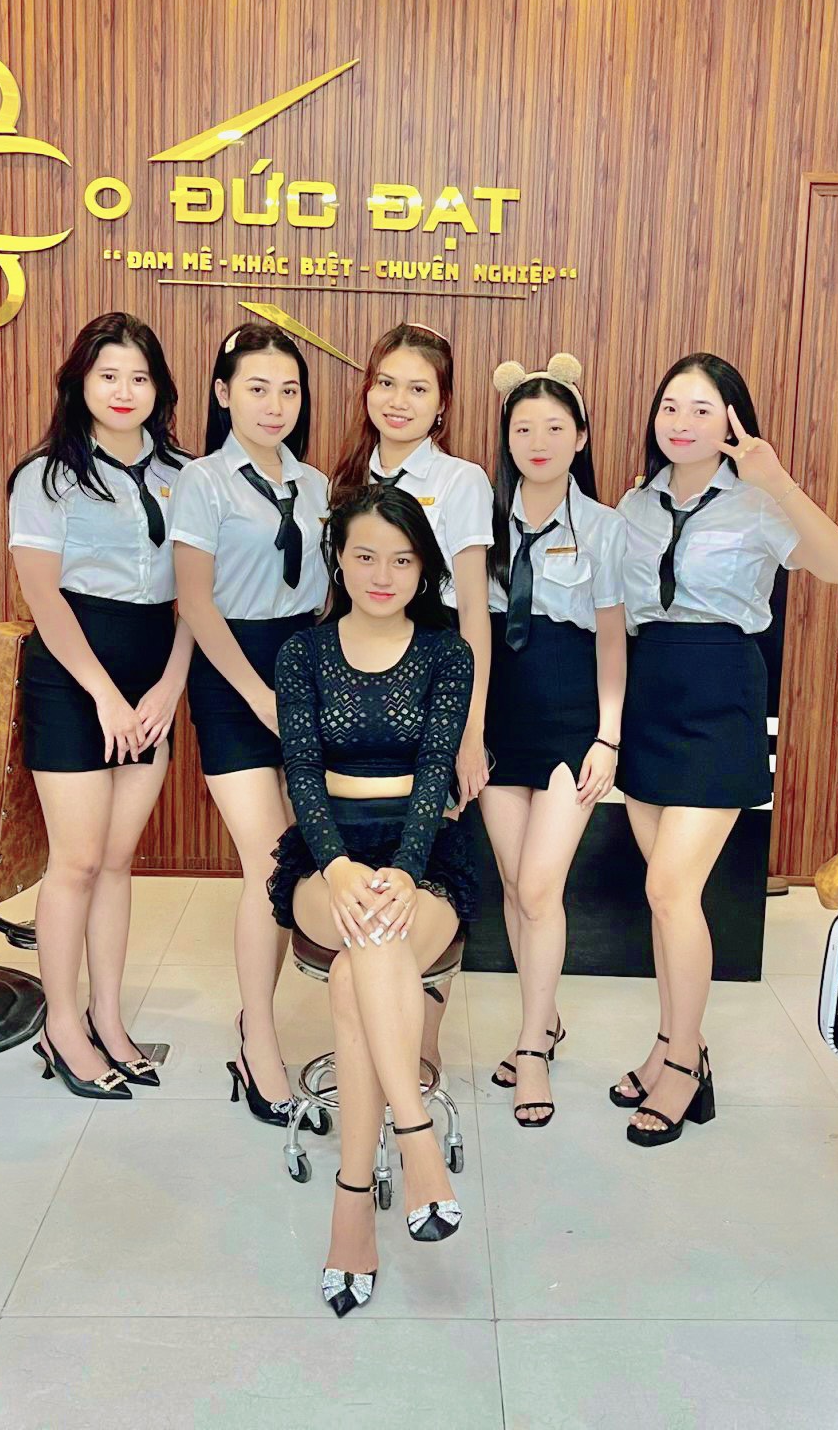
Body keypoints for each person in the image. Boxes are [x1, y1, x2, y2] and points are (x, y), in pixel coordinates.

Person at [611, 353, 838, 1146]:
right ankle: (669, 1044)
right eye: (670, 407)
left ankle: (686, 1064)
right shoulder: (634, 503)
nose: (681, 422)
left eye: (701, 409)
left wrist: (778, 481)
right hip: (651, 689)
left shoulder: (758, 504)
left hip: (721, 692)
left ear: (731, 420)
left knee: (671, 888)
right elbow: (616, 609)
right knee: (662, 895)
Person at [267, 485, 477, 1315]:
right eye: (365, 556)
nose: (383, 574)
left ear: (423, 568)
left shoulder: (447, 652)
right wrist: (340, 867)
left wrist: (406, 868)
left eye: (401, 559)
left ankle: (352, 1202)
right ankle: (416, 1141)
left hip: (424, 853)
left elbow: (434, 773)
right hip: (326, 856)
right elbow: (300, 773)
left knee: (367, 962)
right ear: (339, 559)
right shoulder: (302, 653)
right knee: (368, 940)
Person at [7, 312, 194, 1099]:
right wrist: (107, 696)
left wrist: (169, 687)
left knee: (119, 862)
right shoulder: (45, 477)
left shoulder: (187, 477)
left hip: (154, 675)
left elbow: (199, 598)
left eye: (139, 377)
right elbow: (44, 599)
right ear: (79, 382)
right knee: (78, 861)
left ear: (159, 389)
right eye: (109, 375)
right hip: (72, 676)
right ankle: (62, 1026)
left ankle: (110, 1020)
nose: (124, 391)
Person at [170, 321, 331, 1130]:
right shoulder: (201, 482)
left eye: (289, 390)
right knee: (268, 862)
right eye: (257, 388)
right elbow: (195, 603)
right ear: (223, 393)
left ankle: (261, 1024)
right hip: (233, 675)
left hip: (306, 667)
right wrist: (261, 694)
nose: (275, 405)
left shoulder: (316, 484)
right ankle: (257, 1040)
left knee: (300, 855)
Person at [328, 323, 495, 1075]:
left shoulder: (461, 481)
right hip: (353, 688)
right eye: (387, 383)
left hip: (435, 686)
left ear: (443, 404)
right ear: (367, 390)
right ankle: (370, 1041)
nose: (399, 400)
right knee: (357, 870)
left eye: (418, 388)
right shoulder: (341, 478)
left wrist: (471, 731)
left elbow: (473, 612)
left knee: (426, 865)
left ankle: (420, 1044)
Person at [479, 354, 627, 1128]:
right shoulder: (481, 524)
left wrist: (609, 735)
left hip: (572, 721)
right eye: (523, 428)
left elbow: (612, 640)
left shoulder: (603, 527)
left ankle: (532, 1047)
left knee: (540, 888)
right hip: (498, 720)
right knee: (513, 885)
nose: (537, 442)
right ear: (506, 437)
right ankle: (546, 1018)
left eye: (554, 428)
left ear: (581, 437)